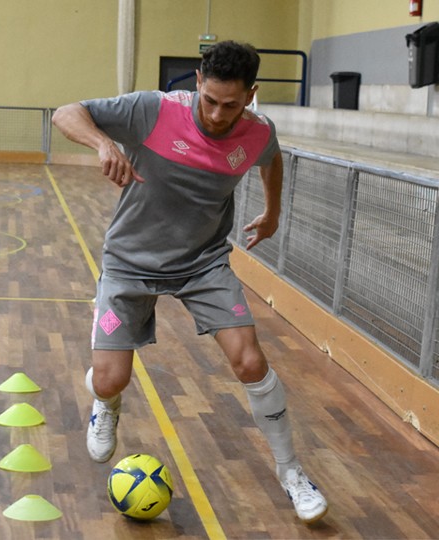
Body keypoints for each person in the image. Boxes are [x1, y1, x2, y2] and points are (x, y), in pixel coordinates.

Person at [52, 41, 327, 524]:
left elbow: (271, 158)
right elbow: (65, 113)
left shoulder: (258, 132)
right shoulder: (152, 110)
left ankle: (292, 473)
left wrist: (273, 212)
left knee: (250, 361)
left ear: (251, 96)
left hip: (203, 263)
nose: (219, 114)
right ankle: (105, 399)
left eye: (232, 104)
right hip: (129, 263)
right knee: (110, 377)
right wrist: (103, 143)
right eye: (210, 99)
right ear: (197, 82)